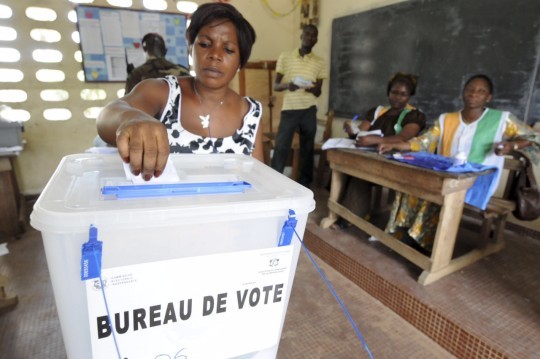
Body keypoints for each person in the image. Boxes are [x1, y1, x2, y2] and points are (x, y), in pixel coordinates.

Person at [97, 2, 263, 181]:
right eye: (205, 44)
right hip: (165, 206)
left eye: (229, 49)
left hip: (229, 208)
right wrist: (132, 119)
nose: (215, 55)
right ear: (191, 47)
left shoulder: (250, 114)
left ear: (241, 61)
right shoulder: (163, 92)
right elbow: (108, 115)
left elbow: (258, 178)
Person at [379, 74, 540, 254]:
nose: (473, 94)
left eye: (481, 91)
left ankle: (426, 244)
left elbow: (534, 137)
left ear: (489, 97)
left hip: (478, 181)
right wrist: (394, 144)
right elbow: (424, 141)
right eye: (470, 90)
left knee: (438, 191)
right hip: (446, 175)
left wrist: (512, 145)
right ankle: (408, 232)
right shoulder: (446, 119)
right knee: (412, 184)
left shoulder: (502, 120)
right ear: (463, 93)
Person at [332, 73, 427, 229]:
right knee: (346, 165)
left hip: (394, 159)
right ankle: (340, 210)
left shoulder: (415, 115)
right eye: (394, 93)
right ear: (388, 93)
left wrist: (376, 140)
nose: (397, 97)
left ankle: (350, 216)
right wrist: (353, 131)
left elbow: (404, 137)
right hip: (370, 153)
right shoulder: (377, 111)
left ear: (410, 96)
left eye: (403, 94)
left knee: (360, 172)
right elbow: (362, 131)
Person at [270, 24, 327, 188]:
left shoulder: (320, 62)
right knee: (281, 146)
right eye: (308, 34)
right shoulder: (285, 57)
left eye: (314, 36)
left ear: (316, 40)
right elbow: (276, 86)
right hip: (290, 109)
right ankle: (273, 182)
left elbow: (318, 92)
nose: (310, 38)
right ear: (301, 36)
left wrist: (313, 88)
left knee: (307, 148)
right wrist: (289, 86)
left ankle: (305, 184)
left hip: (309, 109)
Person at [124, 33, 190, 94]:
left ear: (144, 49)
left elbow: (126, 102)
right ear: (165, 50)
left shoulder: (137, 74)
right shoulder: (183, 71)